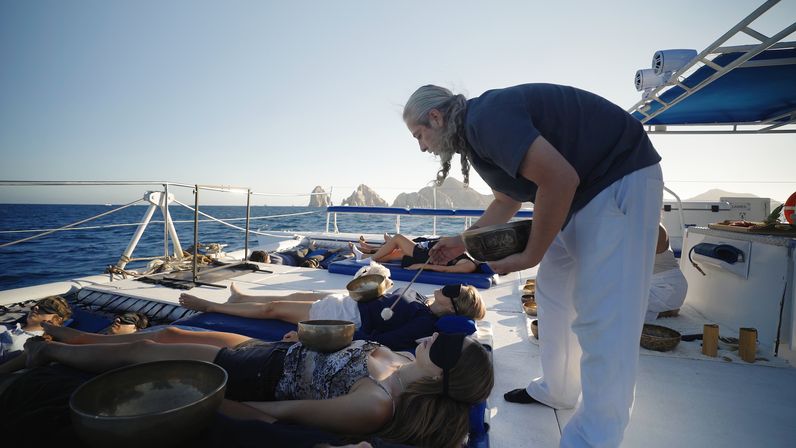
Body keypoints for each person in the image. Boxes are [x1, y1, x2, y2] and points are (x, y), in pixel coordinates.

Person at [403, 83, 663, 446]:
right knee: (554, 294)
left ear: (435, 116)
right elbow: (506, 200)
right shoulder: (475, 134)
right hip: (578, 196)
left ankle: (593, 438)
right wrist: (460, 242)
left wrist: (530, 255)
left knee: (606, 317)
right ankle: (558, 388)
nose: (422, 146)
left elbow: (559, 178)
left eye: (420, 135)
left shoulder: (485, 119)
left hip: (617, 178)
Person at [27, 324, 494, 448]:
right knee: (166, 336)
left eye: (447, 347)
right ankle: (72, 337)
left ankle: (48, 352)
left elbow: (278, 415)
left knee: (141, 355)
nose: (438, 337)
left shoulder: (374, 405)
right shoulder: (407, 358)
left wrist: (209, 401)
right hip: (274, 349)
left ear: (441, 376)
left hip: (255, 374)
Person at [178, 282, 485, 351]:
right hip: (352, 299)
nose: (444, 289)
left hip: (342, 315)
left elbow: (379, 340)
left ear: (453, 307)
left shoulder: (425, 322)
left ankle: (210, 307)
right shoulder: (425, 303)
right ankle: (241, 298)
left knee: (272, 310)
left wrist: (310, 336)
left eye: (451, 289)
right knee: (292, 296)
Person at [0, 296, 72, 373]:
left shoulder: (35, 344)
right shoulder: (8, 326)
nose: (36, 307)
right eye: (35, 305)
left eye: (44, 308)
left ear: (57, 319)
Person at [352, 233, 479, 274]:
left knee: (397, 239)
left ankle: (369, 259)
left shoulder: (470, 264)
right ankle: (364, 256)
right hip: (427, 254)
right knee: (397, 251)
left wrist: (421, 266)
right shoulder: (467, 254)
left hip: (426, 258)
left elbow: (444, 269)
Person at [646, 224, 688, 322]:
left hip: (667, 288)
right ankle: (663, 311)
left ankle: (664, 310)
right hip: (656, 285)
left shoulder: (657, 229)